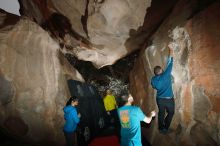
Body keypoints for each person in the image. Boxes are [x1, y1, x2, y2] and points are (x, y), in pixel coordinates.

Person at [151, 46, 175, 134]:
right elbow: (170, 62)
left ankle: (160, 128)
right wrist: (171, 50)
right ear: (161, 70)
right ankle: (165, 127)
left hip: (159, 99)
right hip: (168, 99)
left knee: (161, 112)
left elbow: (154, 86)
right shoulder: (166, 75)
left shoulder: (153, 79)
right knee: (171, 113)